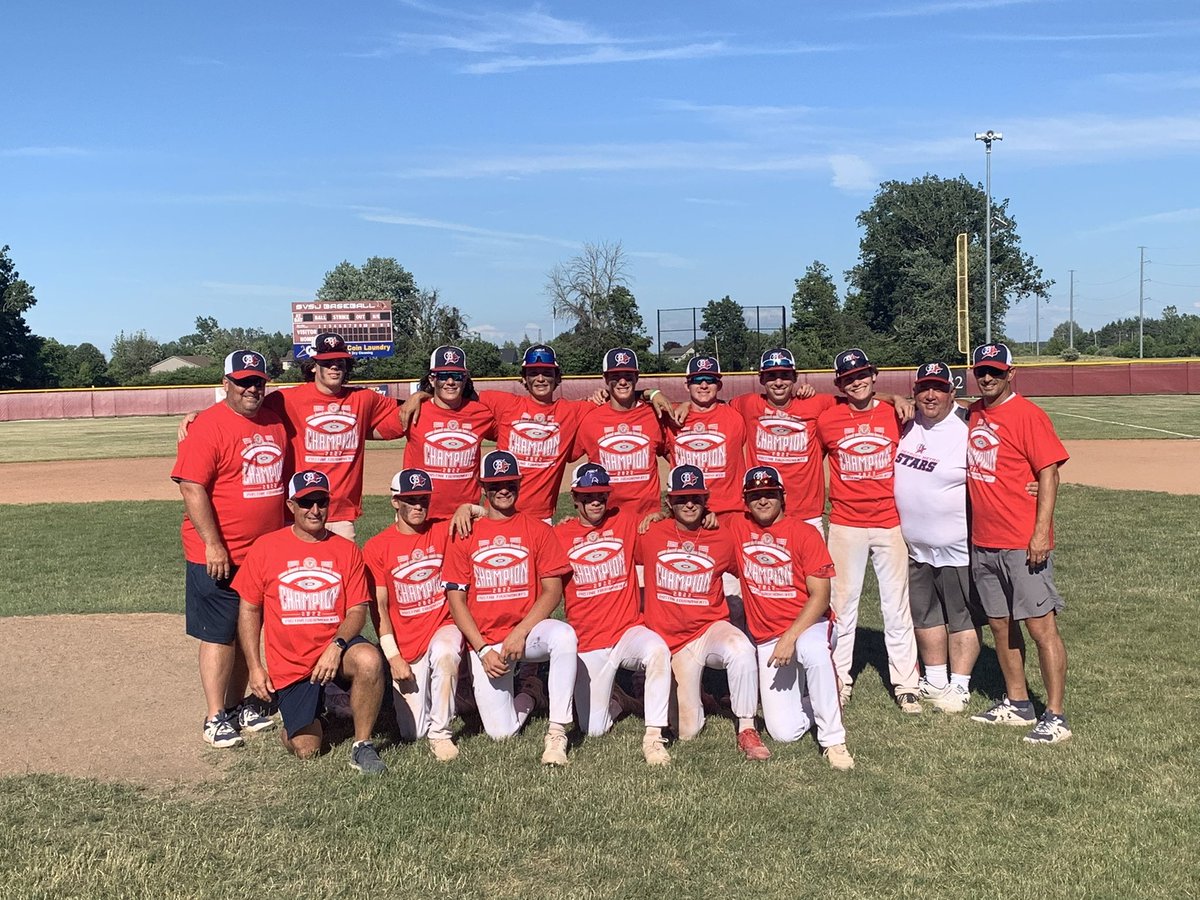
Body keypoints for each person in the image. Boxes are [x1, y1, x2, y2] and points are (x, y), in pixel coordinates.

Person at [180, 332, 405, 540]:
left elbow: (405, 413)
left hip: (340, 513)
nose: (334, 367)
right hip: (295, 510)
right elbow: (240, 406)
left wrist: (421, 395)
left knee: (339, 578)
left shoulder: (364, 399)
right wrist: (200, 415)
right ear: (314, 366)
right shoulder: (286, 400)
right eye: (327, 362)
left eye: (340, 362)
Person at [171, 349, 288, 748]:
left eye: (258, 381)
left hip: (262, 553)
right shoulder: (208, 426)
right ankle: (214, 716)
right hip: (219, 553)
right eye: (242, 381)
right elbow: (191, 486)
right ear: (225, 384)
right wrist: (212, 544)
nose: (251, 388)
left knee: (246, 631)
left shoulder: (274, 421)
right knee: (219, 635)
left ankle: (239, 706)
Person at [234, 471, 388, 773]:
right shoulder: (266, 548)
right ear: (291, 505)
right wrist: (255, 667)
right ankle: (298, 717)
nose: (315, 510)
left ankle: (363, 746)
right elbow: (250, 609)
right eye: (306, 503)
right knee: (307, 749)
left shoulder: (346, 550)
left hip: (335, 650)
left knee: (369, 659)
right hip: (292, 663)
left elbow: (357, 609)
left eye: (321, 502)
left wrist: (336, 645)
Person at [965, 343, 1072, 744]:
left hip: (1022, 540)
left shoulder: (1028, 415)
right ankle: (1018, 702)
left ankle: (1056, 715)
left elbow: (1049, 474)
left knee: (1041, 627)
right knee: (1000, 624)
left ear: (1012, 373)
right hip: (984, 540)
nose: (987, 377)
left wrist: (1041, 532)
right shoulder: (974, 412)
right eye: (981, 371)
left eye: (995, 371)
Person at [443, 450, 578, 765]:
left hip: (526, 634)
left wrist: (519, 632)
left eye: (510, 483)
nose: (503, 490)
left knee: (564, 636)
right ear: (484, 488)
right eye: (495, 484)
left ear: (519, 484)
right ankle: (531, 692)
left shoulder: (538, 530)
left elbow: (552, 591)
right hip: (488, 642)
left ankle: (557, 732)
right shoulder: (466, 533)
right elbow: (456, 601)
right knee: (501, 734)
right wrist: (481, 650)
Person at [637, 464, 771, 760]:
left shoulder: (721, 536)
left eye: (696, 498)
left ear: (705, 501)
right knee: (687, 732)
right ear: (669, 501)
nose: (689, 504)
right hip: (672, 645)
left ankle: (747, 726)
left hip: (708, 630)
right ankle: (688, 699)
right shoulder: (651, 533)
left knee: (740, 648)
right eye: (682, 498)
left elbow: (755, 567)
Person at [816, 348, 921, 713]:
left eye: (861, 374)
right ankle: (839, 680)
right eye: (848, 378)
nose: (856, 381)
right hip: (846, 523)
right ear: (839, 384)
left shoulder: (896, 413)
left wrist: (896, 398)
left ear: (874, 376)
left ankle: (906, 683)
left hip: (889, 522)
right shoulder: (828, 418)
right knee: (842, 606)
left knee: (896, 605)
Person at [727, 466, 854, 770]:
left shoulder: (805, 532)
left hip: (812, 625)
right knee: (784, 732)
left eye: (769, 493)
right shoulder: (737, 527)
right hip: (768, 636)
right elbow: (703, 524)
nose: (762, 500)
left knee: (812, 651)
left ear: (782, 496)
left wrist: (790, 637)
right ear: (746, 501)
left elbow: (821, 596)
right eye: (755, 495)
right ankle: (824, 695)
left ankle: (834, 741)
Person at [555, 463, 673, 766]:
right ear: (576, 499)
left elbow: (662, 537)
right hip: (590, 641)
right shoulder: (560, 534)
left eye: (602, 495)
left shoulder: (625, 521)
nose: (596, 501)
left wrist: (662, 517)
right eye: (589, 495)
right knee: (593, 729)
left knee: (658, 650)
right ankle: (620, 699)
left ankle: (654, 736)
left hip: (627, 630)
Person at [401, 344, 591, 522]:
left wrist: (601, 396)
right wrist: (420, 395)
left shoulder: (574, 410)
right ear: (524, 378)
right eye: (533, 373)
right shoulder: (502, 403)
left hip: (542, 516)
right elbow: (454, 395)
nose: (540, 378)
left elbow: (610, 408)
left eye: (547, 373)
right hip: (495, 511)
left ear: (558, 378)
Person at [893, 361, 982, 713]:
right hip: (915, 546)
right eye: (924, 388)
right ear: (914, 391)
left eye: (939, 388)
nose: (931, 395)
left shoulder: (968, 426)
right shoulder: (906, 424)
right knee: (925, 612)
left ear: (952, 391)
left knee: (961, 615)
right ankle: (935, 678)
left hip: (957, 543)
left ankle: (959, 685)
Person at [363, 468, 464, 762]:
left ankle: (442, 733)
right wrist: (393, 657)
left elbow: (487, 518)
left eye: (423, 499)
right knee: (412, 732)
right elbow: (379, 607)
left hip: (442, 624)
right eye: (410, 499)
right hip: (406, 642)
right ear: (395, 502)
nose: (418, 506)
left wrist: (468, 507)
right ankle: (447, 706)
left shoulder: (443, 529)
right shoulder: (377, 547)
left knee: (446, 653)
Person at [729, 348, 835, 530]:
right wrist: (684, 404)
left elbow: (855, 399)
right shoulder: (748, 404)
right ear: (761, 379)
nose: (778, 382)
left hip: (807, 514)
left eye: (785, 375)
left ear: (795, 377)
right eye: (771, 376)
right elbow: (711, 407)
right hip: (763, 511)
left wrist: (893, 398)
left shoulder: (815, 403)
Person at [403, 345, 497, 521]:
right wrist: (418, 396)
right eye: (444, 376)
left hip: (467, 515)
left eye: (457, 376)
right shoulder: (414, 410)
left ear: (465, 378)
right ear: (432, 379)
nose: (451, 382)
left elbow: (509, 432)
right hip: (421, 514)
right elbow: (369, 428)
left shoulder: (481, 413)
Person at [573, 348, 669, 520]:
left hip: (647, 518)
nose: (622, 381)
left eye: (628, 375)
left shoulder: (655, 414)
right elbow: (567, 454)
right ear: (605, 379)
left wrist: (652, 392)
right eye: (616, 376)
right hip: (607, 518)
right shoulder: (590, 418)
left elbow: (675, 453)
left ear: (637, 377)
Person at [663, 356, 748, 520]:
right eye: (697, 380)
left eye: (710, 380)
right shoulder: (671, 417)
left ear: (719, 385)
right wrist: (652, 392)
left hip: (730, 512)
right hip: (688, 512)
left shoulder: (736, 416)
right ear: (687, 386)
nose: (703, 385)